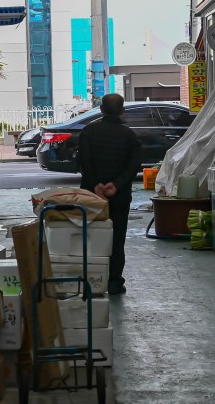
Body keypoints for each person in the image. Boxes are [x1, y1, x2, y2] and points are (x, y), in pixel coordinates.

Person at [78, 93, 142, 295]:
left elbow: (85, 162)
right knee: (117, 238)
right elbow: (134, 166)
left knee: (90, 236)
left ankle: (91, 280)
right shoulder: (130, 136)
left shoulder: (89, 132)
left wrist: (96, 184)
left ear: (101, 110)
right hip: (120, 196)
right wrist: (116, 185)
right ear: (122, 110)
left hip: (91, 195)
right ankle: (114, 282)